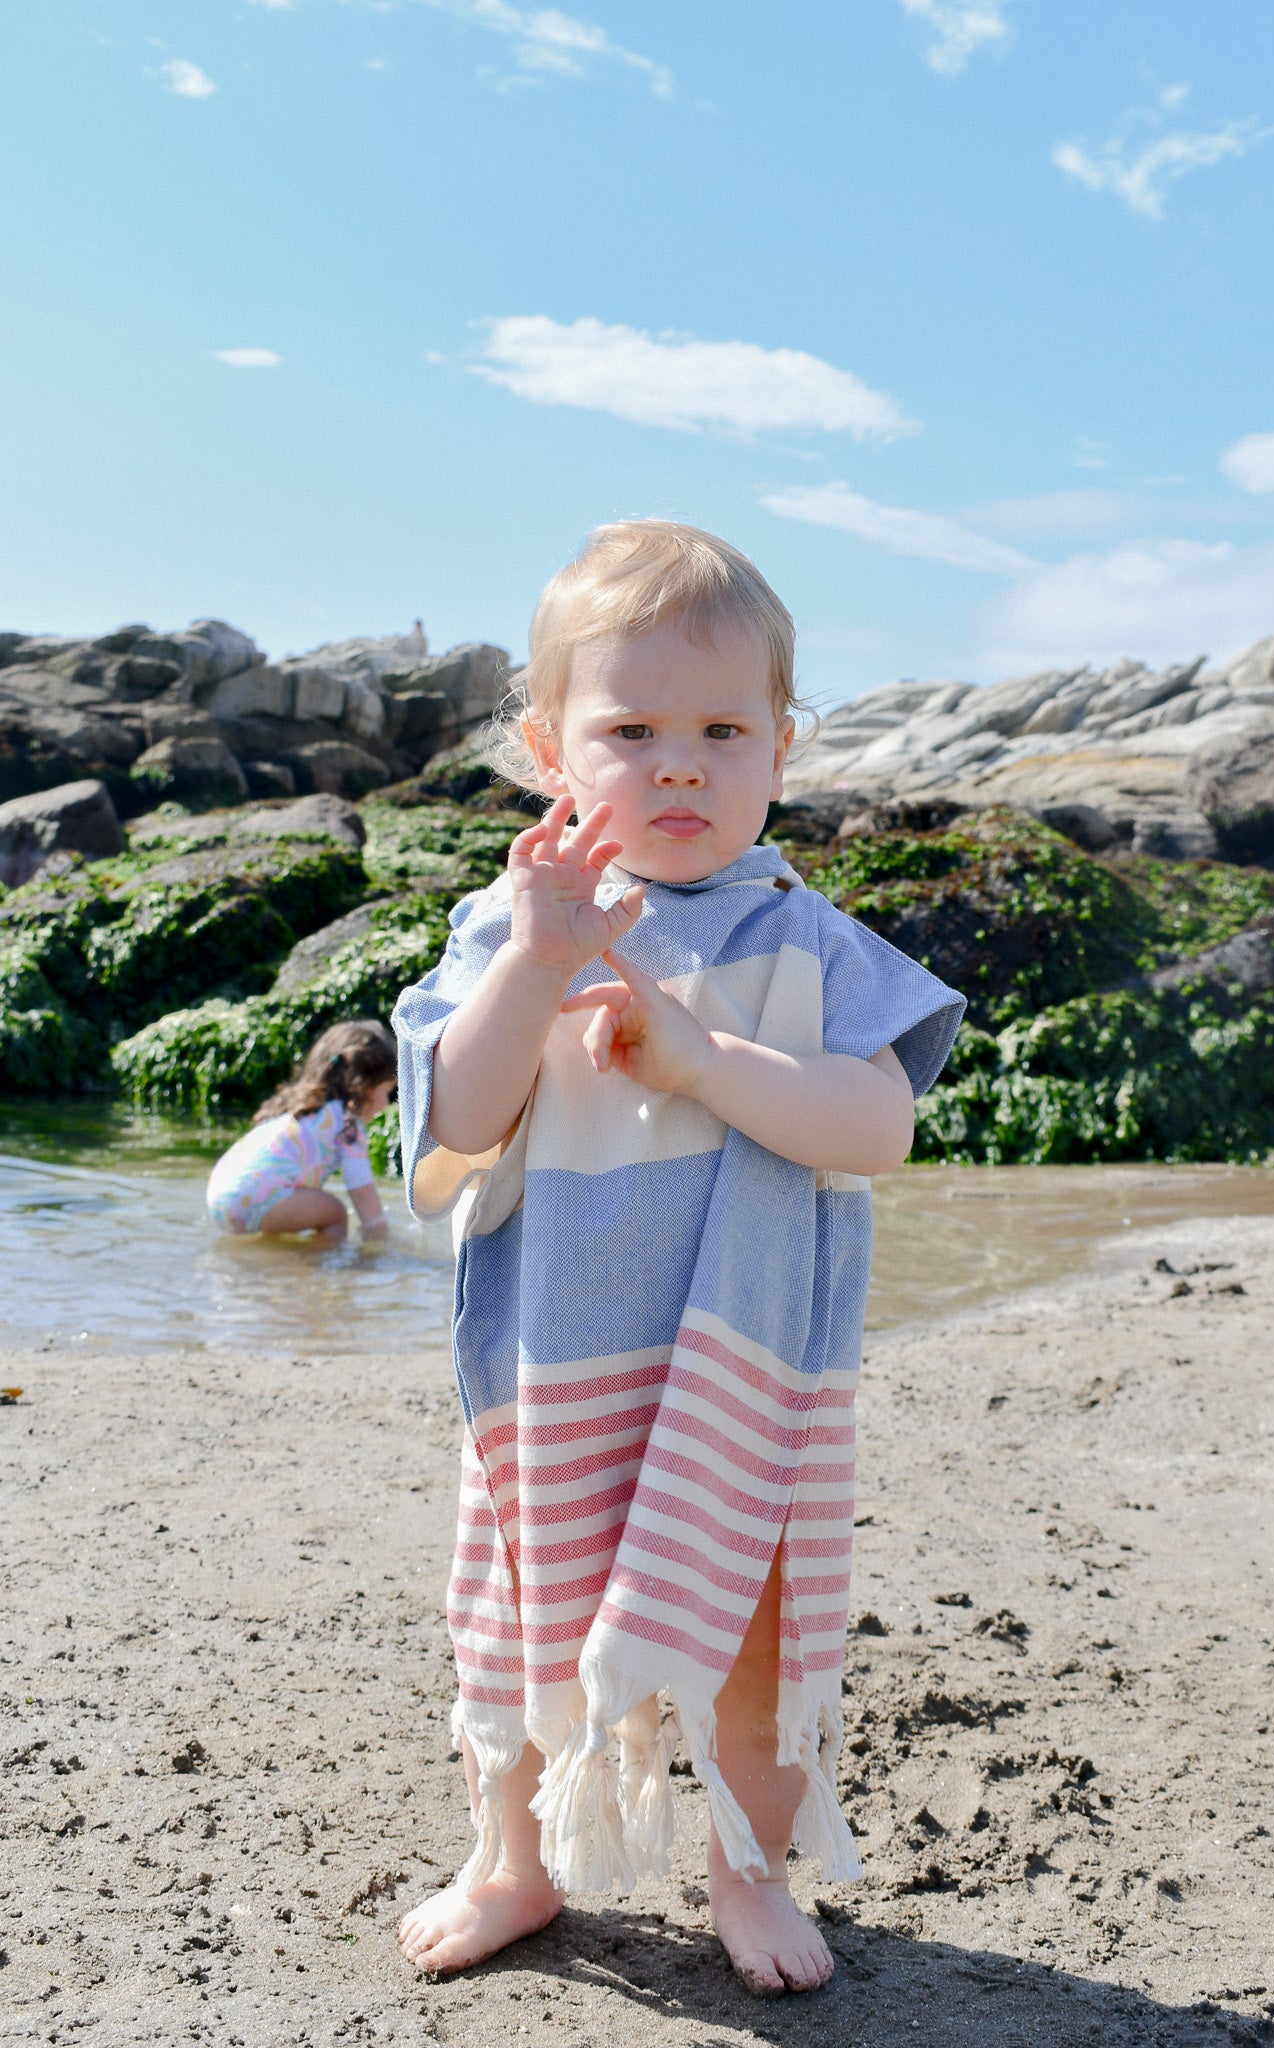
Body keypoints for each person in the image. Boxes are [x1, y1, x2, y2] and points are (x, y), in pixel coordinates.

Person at [391, 521, 965, 1995]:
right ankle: (515, 1859)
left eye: (722, 729)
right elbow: (453, 1125)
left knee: (760, 1636)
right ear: (546, 749)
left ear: (783, 742)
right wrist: (534, 962)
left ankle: (750, 1871)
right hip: (555, 1356)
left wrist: (705, 1058)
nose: (682, 765)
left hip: (748, 1366)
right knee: (522, 1616)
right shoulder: (508, 930)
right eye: (630, 730)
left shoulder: (809, 939)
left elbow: (877, 1126)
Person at [206, 1019, 395, 1246]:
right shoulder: (347, 1125)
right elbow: (362, 1191)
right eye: (386, 1091)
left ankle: (278, 1262)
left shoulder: (297, 1109)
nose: (386, 1103)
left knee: (306, 1203)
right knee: (335, 1213)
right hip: (253, 1200)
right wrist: (380, 1238)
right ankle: (311, 1272)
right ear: (362, 1086)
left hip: (220, 1196)